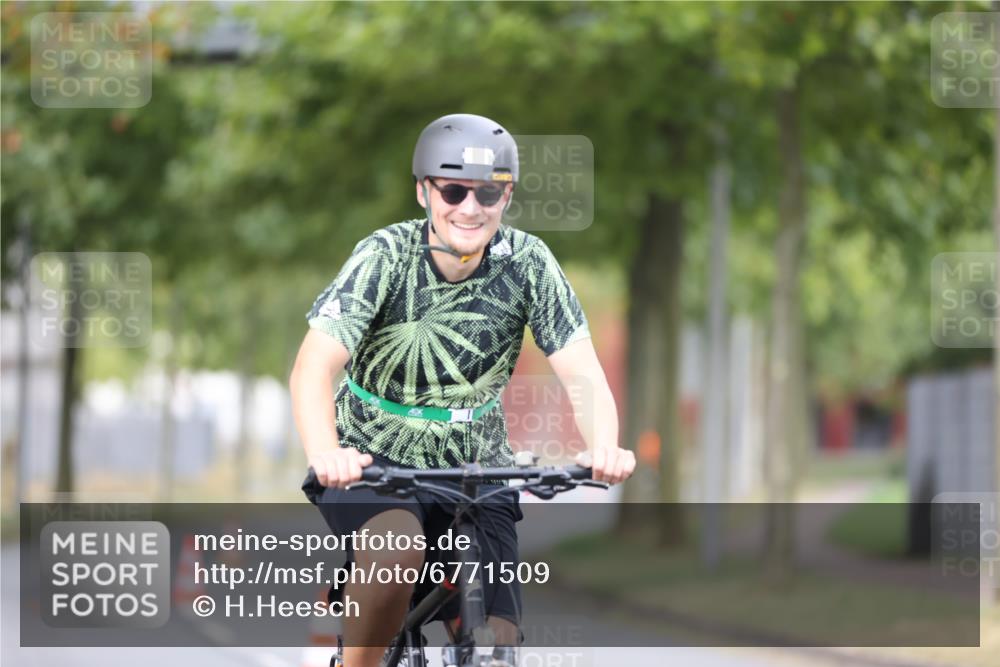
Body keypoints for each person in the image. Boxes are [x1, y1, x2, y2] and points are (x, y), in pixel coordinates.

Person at [289, 113, 635, 667]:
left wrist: (604, 447)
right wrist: (327, 454)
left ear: (506, 196)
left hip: (478, 466)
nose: (470, 208)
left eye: (487, 193)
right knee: (395, 552)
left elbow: (582, 372)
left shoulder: (528, 262)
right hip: (373, 459)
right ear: (424, 191)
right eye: (453, 190)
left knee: (498, 636)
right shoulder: (384, 255)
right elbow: (312, 366)